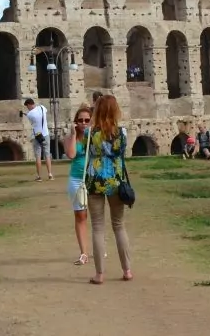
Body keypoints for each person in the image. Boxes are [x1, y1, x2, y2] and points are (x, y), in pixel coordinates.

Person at [86, 94, 133, 285]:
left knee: (98, 227)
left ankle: (99, 274)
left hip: (95, 180)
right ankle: (127, 270)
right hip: (116, 180)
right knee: (119, 225)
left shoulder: (91, 133)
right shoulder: (122, 133)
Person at [62, 104, 93, 265]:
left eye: (87, 120)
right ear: (75, 122)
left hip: (93, 179)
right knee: (81, 216)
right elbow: (72, 154)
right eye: (80, 120)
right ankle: (84, 253)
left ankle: (98, 247)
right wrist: (74, 134)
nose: (83, 123)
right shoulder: (69, 138)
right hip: (76, 180)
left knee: (96, 215)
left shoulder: (94, 137)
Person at [22, 98, 53, 181]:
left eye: (27, 106)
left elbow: (31, 120)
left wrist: (25, 113)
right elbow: (42, 114)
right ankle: (50, 174)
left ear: (29, 104)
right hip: (45, 134)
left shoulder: (30, 114)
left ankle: (39, 176)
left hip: (37, 135)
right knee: (47, 155)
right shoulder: (42, 107)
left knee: (38, 156)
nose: (27, 108)